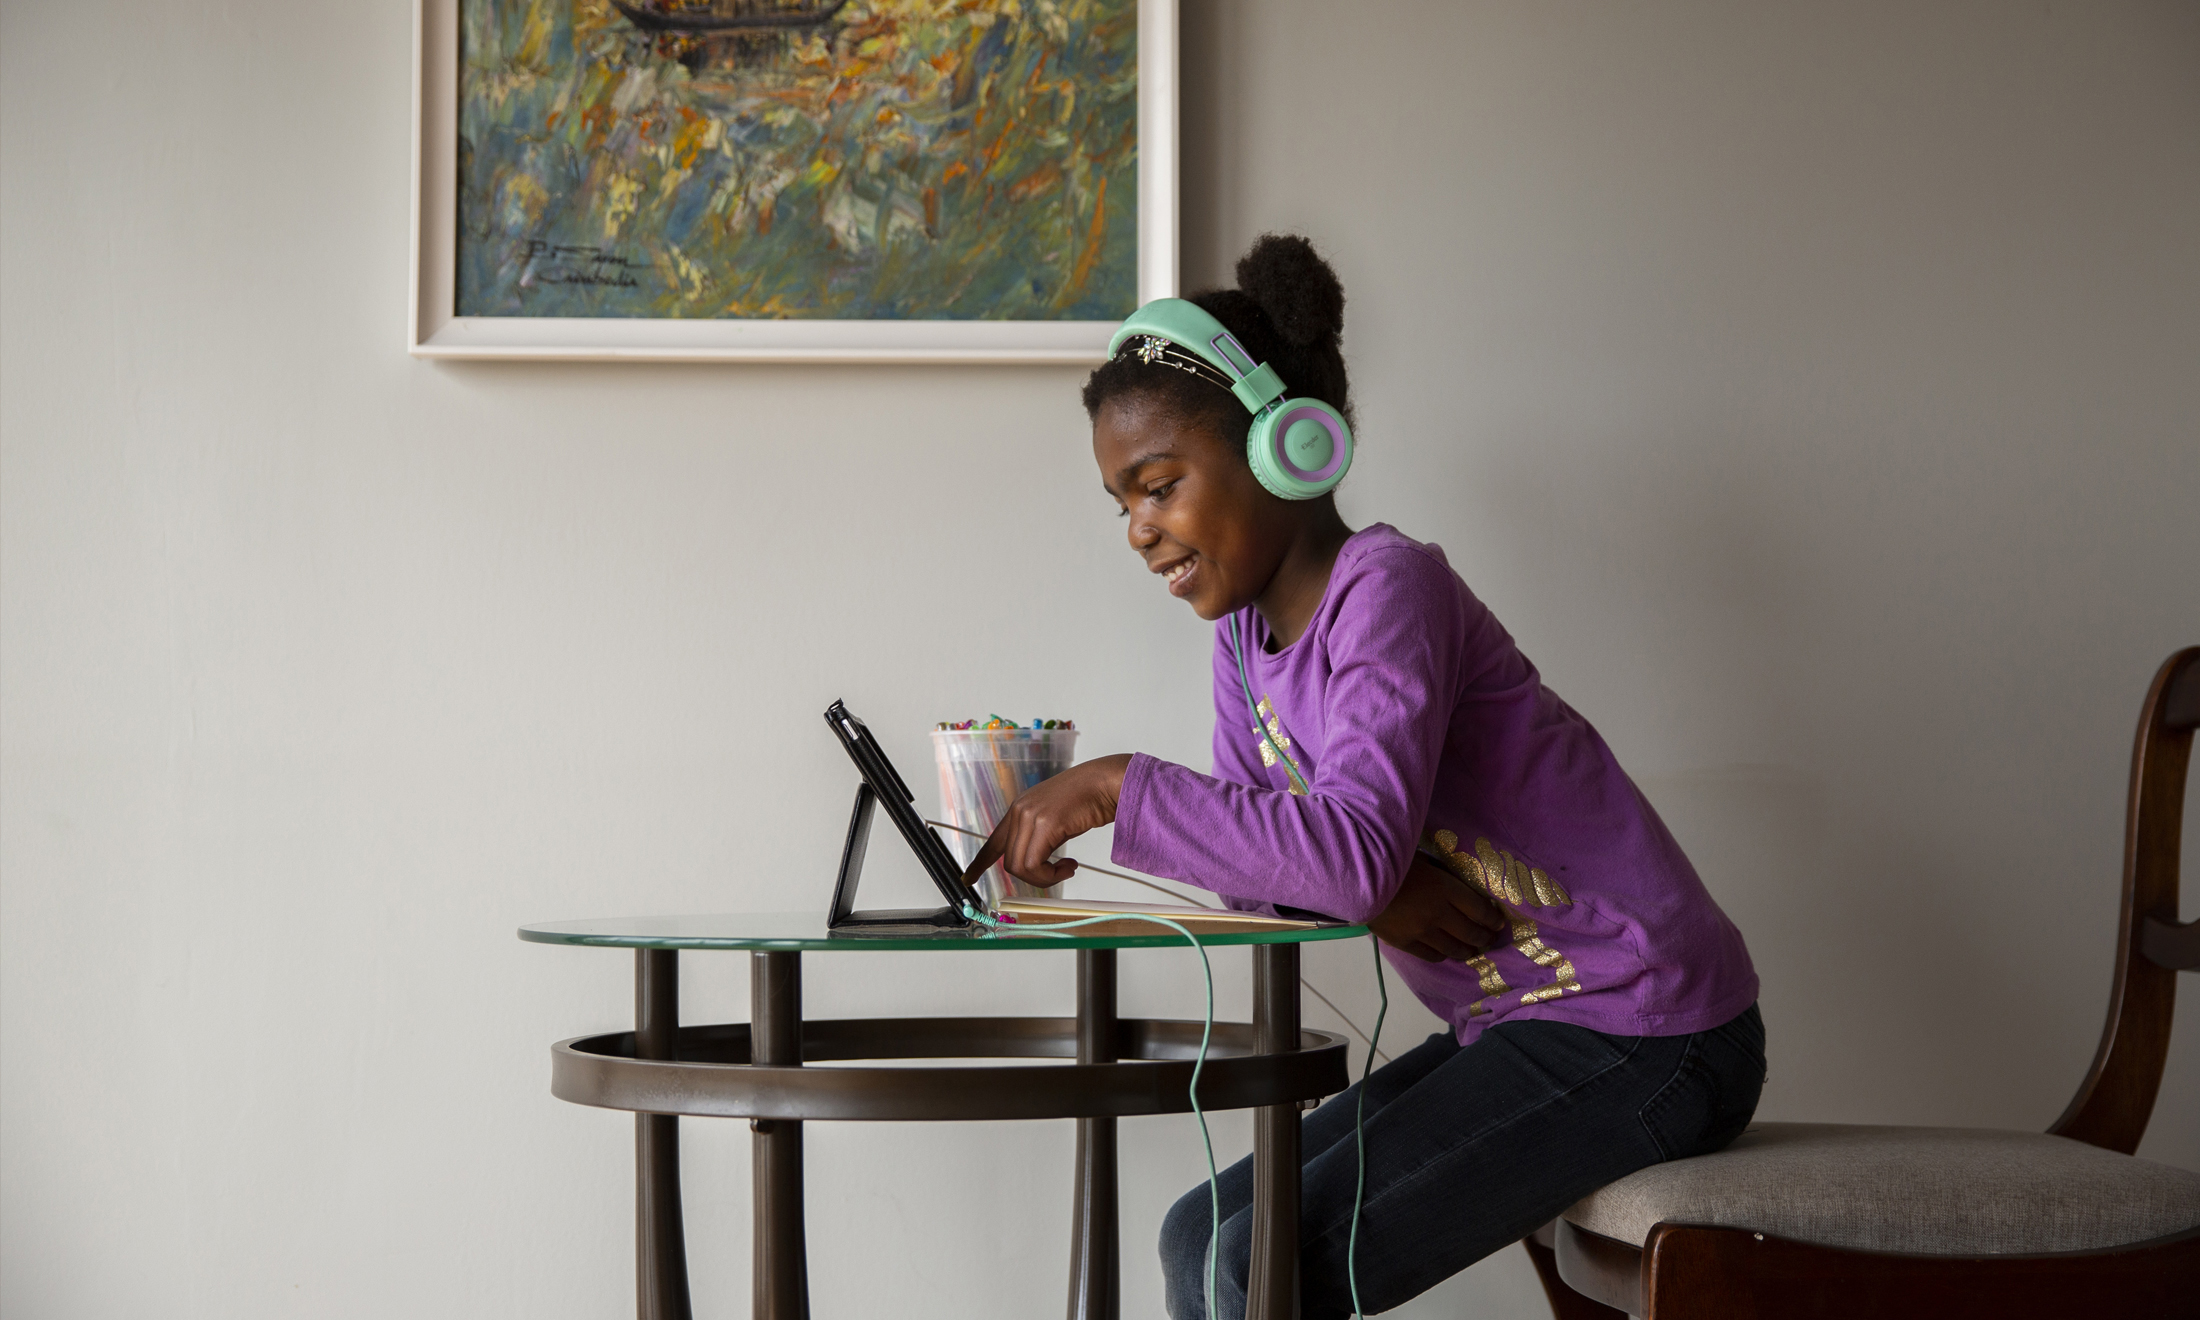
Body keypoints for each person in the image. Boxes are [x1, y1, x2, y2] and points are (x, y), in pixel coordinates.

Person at [961, 234, 1765, 1320]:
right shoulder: (1243, 640)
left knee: (1261, 1270)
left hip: (1650, 1028)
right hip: (1525, 1025)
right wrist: (1377, 890)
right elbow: (1272, 872)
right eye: (1123, 505)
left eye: (1158, 486)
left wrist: (1115, 787)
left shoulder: (1388, 587)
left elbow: (1333, 855)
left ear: (1289, 445)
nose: (1140, 529)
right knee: (1198, 1235)